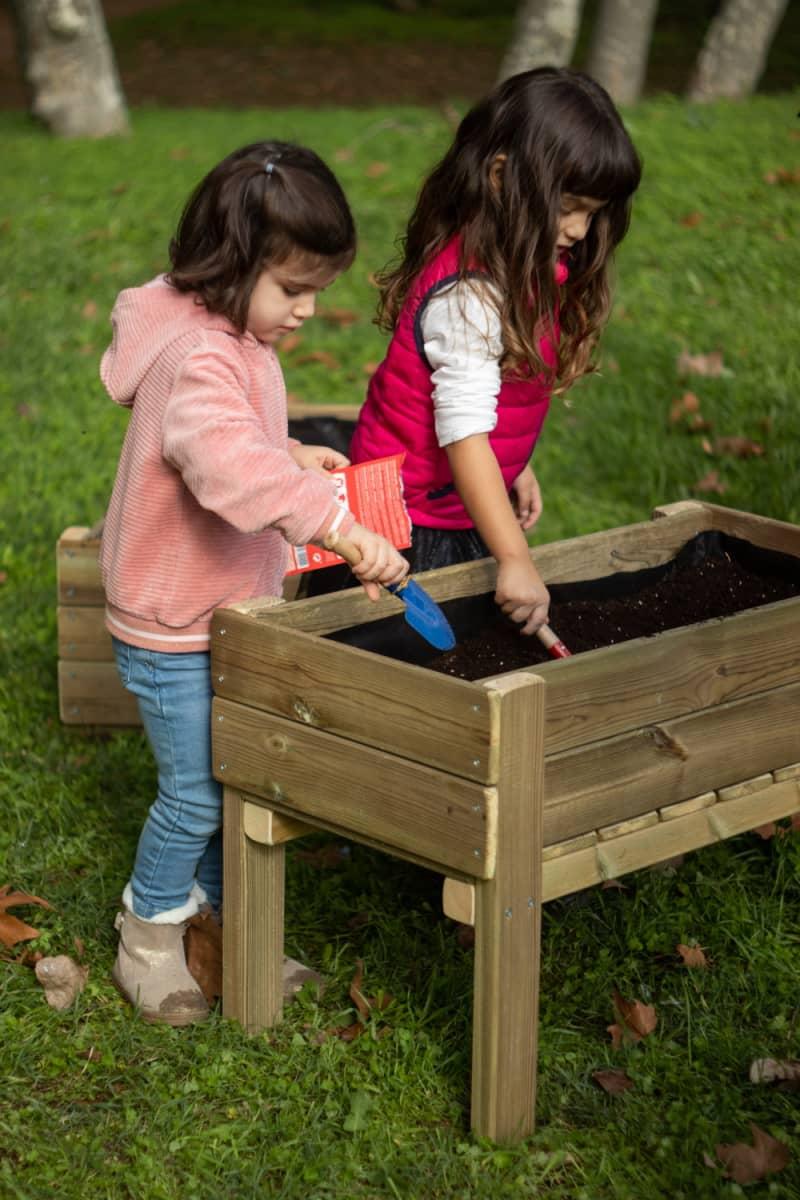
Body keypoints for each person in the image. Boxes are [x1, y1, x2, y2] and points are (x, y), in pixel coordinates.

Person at [99, 140, 409, 1026]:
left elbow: (238, 444)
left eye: (317, 289)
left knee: (228, 780)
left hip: (221, 611)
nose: (309, 310)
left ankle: (229, 932)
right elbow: (224, 466)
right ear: (231, 269)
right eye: (293, 289)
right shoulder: (200, 357)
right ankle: (149, 932)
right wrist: (336, 522)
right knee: (197, 790)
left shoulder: (229, 332)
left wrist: (290, 453)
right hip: (174, 622)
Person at [347, 67, 641, 635]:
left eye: (594, 212)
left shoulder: (517, 271)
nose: (581, 229)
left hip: (447, 504)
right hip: (409, 528)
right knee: (430, 663)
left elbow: (488, 403)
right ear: (503, 179)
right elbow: (463, 433)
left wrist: (514, 464)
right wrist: (514, 558)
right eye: (569, 205)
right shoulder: (469, 296)